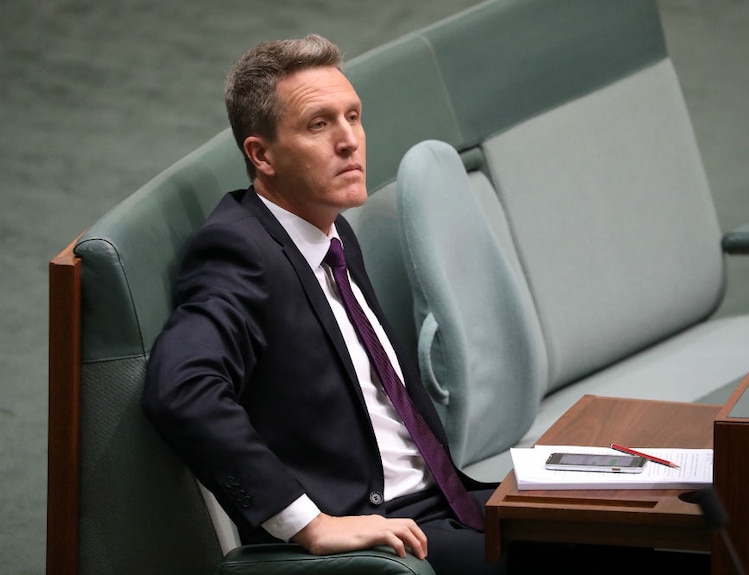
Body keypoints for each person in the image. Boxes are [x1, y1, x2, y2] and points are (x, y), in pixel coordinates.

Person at [141, 34, 505, 575]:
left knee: (630, 524)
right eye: (319, 124)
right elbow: (180, 389)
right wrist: (309, 524)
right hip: (390, 529)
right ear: (261, 155)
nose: (349, 141)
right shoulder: (238, 252)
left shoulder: (327, 231)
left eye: (353, 117)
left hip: (447, 500)